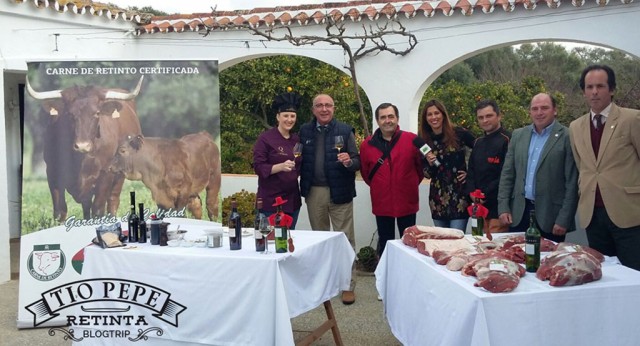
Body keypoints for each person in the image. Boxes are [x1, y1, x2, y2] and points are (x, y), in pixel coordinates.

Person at [569, 64, 640, 271]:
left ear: (612, 89)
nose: (594, 92)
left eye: (600, 86)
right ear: (583, 91)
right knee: (604, 274)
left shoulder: (632, 119)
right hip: (593, 214)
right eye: (589, 87)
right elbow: (583, 165)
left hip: (628, 213)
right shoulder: (576, 127)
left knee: (634, 275)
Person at [299, 93, 360, 304]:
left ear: (334, 108)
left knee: (345, 239)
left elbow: (357, 160)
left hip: (340, 191)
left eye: (328, 105)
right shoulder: (304, 131)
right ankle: (323, 283)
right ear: (313, 109)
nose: (324, 109)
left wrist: (348, 162)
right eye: (319, 105)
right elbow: (298, 158)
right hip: (314, 191)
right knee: (320, 240)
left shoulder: (345, 130)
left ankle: (347, 284)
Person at [498, 93, 578, 242]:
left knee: (547, 263)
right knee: (516, 259)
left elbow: (572, 182)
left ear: (555, 110)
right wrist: (503, 207)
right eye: (535, 108)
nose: (539, 112)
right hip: (519, 213)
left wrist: (564, 218)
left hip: (551, 216)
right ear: (530, 112)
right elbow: (507, 174)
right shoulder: (518, 135)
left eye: (544, 108)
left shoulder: (568, 136)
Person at [360, 103, 424, 257]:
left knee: (408, 243)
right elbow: (366, 173)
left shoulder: (411, 140)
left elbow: (420, 169)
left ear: (397, 118)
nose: (387, 120)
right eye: (383, 117)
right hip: (382, 202)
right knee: (385, 242)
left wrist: (407, 184)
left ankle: (408, 276)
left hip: (407, 200)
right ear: (377, 120)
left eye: (391, 116)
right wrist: (381, 185)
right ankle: (385, 278)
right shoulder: (367, 145)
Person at [419, 99, 475, 232]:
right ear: (425, 118)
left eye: (436, 113)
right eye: (429, 114)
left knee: (456, 238)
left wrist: (471, 174)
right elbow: (426, 173)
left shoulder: (459, 133)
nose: (434, 117)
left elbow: (480, 152)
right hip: (437, 197)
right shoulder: (423, 140)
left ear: (443, 114)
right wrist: (430, 163)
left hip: (459, 194)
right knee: (443, 239)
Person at [253, 92, 302, 228]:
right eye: (285, 116)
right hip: (271, 201)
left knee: (288, 240)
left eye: (292, 116)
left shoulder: (296, 139)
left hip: (292, 202)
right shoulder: (266, 138)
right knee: (271, 240)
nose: (289, 119)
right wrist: (280, 167)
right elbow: (258, 167)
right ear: (278, 117)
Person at [465, 100, 511, 233]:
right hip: (478, 207)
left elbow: (506, 174)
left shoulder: (508, 139)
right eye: (481, 117)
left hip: (499, 208)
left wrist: (485, 194)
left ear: (499, 116)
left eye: (489, 116)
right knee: (478, 245)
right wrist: (472, 193)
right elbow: (471, 171)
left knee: (495, 249)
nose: (485, 120)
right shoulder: (478, 142)